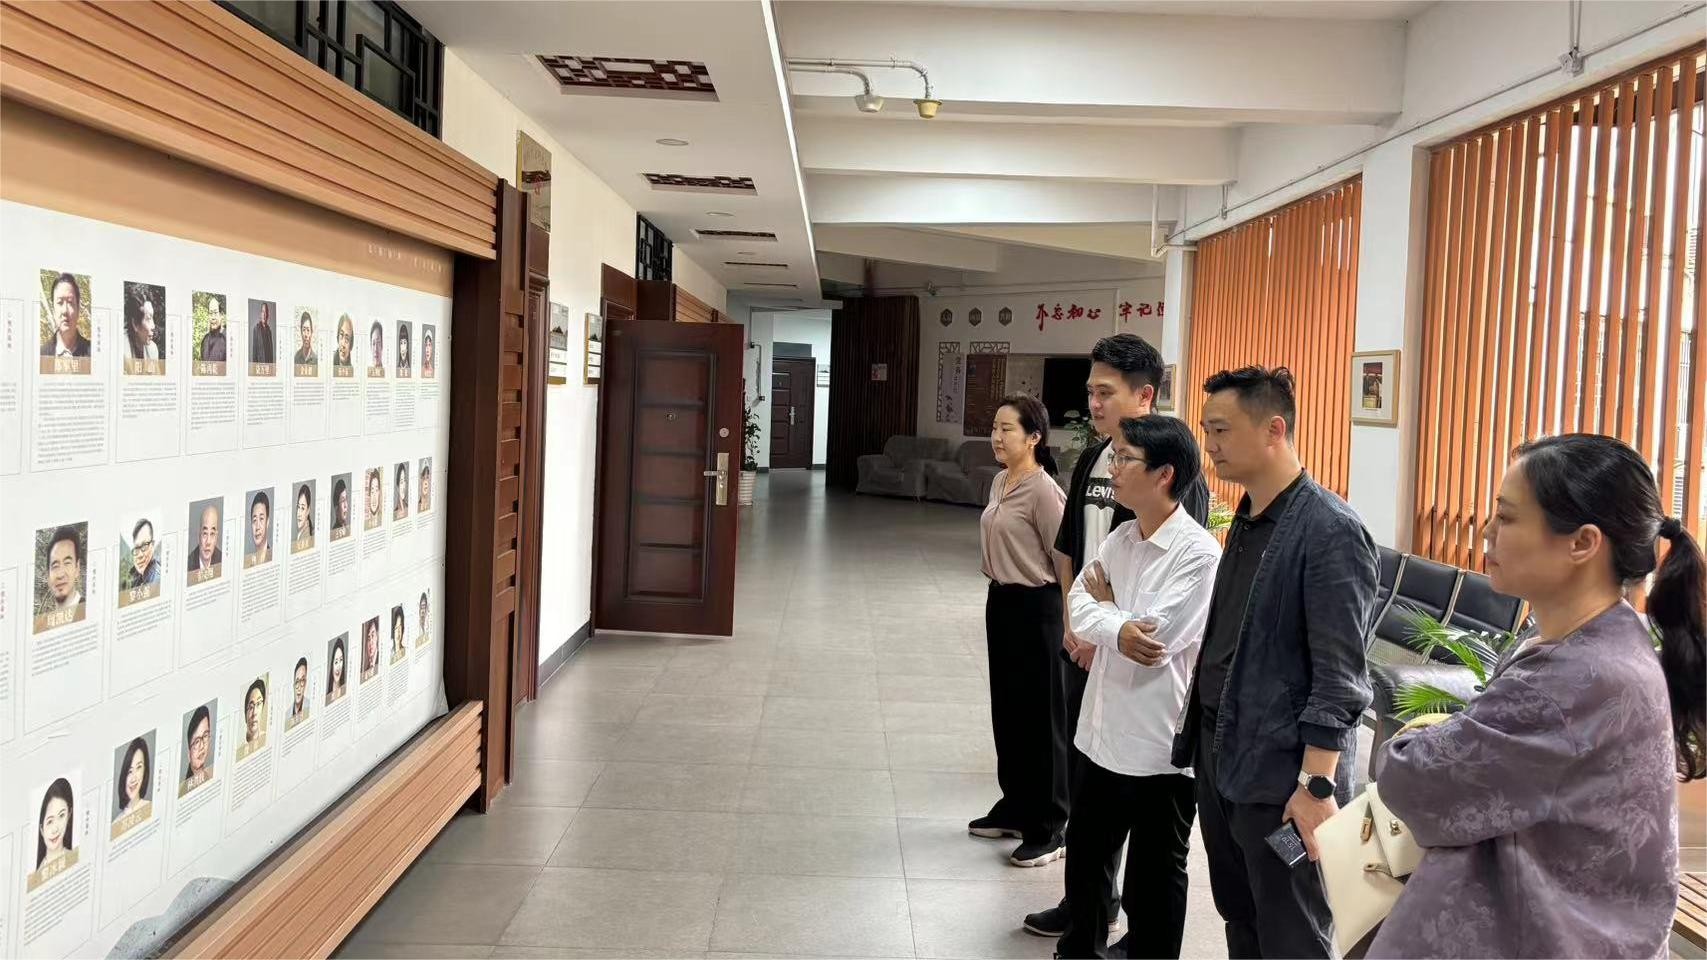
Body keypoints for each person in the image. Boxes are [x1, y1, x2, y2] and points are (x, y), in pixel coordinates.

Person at [1369, 434, 1705, 958]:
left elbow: (1412, 782)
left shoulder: (1573, 679)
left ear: (1582, 543)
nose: (1486, 532)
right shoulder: (1603, 640)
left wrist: (1420, 734)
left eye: (1506, 518)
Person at [1169, 366, 1377, 960]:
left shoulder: (1330, 530)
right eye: (1206, 430)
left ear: (1274, 430)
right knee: (1240, 914)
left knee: (1292, 932)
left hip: (1283, 776)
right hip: (1224, 752)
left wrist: (1315, 785)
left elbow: (1340, 679)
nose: (1209, 444)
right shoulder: (1248, 516)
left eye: (1221, 430)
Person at [1023, 334, 1210, 940]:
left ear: (1144, 396)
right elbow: (1076, 555)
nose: (1094, 404)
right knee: (1091, 803)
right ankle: (1086, 909)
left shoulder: (1173, 475)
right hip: (1088, 653)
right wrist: (1079, 621)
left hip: (1147, 694)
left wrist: (1106, 618)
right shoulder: (1093, 459)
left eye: (1106, 392)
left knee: (1150, 834)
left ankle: (1137, 930)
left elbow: (1158, 621)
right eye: (1090, 391)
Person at [1055, 415, 1221, 959]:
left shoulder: (1199, 554)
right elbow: (1080, 607)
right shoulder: (1121, 538)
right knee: (1085, 863)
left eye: (1125, 459)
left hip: (1158, 749)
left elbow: (1156, 639)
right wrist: (1116, 624)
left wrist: (1110, 613)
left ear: (1164, 474)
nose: (1113, 469)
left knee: (1154, 881)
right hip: (1099, 733)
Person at [974, 394, 1069, 866]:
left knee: (1042, 717)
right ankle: (1015, 804)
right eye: (995, 427)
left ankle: (1051, 825)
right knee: (1008, 708)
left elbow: (1065, 559)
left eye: (1007, 428)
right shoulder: (1000, 481)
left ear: (1034, 437)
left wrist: (1072, 620)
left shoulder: (1044, 491)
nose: (997, 436)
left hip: (1039, 608)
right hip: (1002, 602)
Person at [40, 272, 90, 359]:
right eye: (60, 302)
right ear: (53, 309)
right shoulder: (42, 354)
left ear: (78, 308)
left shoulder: (91, 353)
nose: (65, 310)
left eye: (70, 302)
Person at [42, 526, 83, 614]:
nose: (60, 575)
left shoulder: (89, 610)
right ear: (48, 576)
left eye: (67, 563)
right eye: (55, 566)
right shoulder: (45, 620)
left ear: (77, 568)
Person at [35, 778, 74, 871]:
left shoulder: (73, 858)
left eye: (61, 815)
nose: (55, 829)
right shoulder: (37, 872)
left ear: (69, 815)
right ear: (41, 828)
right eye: (50, 821)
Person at [181, 705, 214, 795]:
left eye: (205, 736)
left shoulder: (210, 777)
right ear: (189, 753)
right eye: (196, 742)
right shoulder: (184, 792)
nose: (202, 746)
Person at [117, 738, 150, 820]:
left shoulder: (151, 808)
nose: (133, 778)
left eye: (139, 767)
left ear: (145, 770)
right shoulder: (116, 822)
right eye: (130, 771)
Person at [125, 284, 160, 361]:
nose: (153, 326)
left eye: (152, 318)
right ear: (135, 324)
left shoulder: (152, 350)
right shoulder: (122, 350)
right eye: (148, 319)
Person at [123, 519, 160, 590]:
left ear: (152, 545)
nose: (140, 555)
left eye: (144, 546)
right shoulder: (134, 579)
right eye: (136, 548)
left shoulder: (157, 580)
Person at [188, 502, 222, 577]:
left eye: (212, 534)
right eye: (205, 533)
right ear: (199, 535)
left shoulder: (222, 560)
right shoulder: (188, 565)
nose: (208, 542)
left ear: (216, 537)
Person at [198, 296, 227, 364]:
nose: (213, 317)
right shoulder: (205, 340)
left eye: (215, 313)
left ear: (221, 315)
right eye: (210, 313)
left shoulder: (227, 337)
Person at [242, 678, 266, 751]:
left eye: (258, 704)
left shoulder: (266, 737)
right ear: (245, 713)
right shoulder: (241, 747)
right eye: (251, 707)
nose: (254, 713)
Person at [248, 491, 272, 565]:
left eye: (261, 519)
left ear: (267, 522)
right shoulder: (250, 563)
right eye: (254, 520)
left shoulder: (271, 558)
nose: (257, 527)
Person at [251, 301, 276, 366]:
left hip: (269, 366)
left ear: (268, 315)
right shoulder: (256, 329)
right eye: (263, 311)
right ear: (260, 314)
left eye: (266, 312)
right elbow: (254, 352)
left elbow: (271, 352)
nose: (264, 314)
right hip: (260, 366)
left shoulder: (269, 331)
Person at [288, 657, 309, 728]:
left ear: (305, 683)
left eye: (302, 681)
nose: (299, 687)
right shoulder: (287, 714)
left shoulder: (309, 707)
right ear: (293, 685)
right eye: (297, 682)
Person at [326, 636, 348, 703]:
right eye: (336, 662)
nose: (338, 667)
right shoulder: (327, 697)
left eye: (341, 660)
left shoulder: (346, 691)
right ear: (332, 665)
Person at [294, 485, 314, 549]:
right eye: (298, 507)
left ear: (308, 510)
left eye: (302, 508)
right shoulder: (301, 533)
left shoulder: (305, 537)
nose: (299, 513)